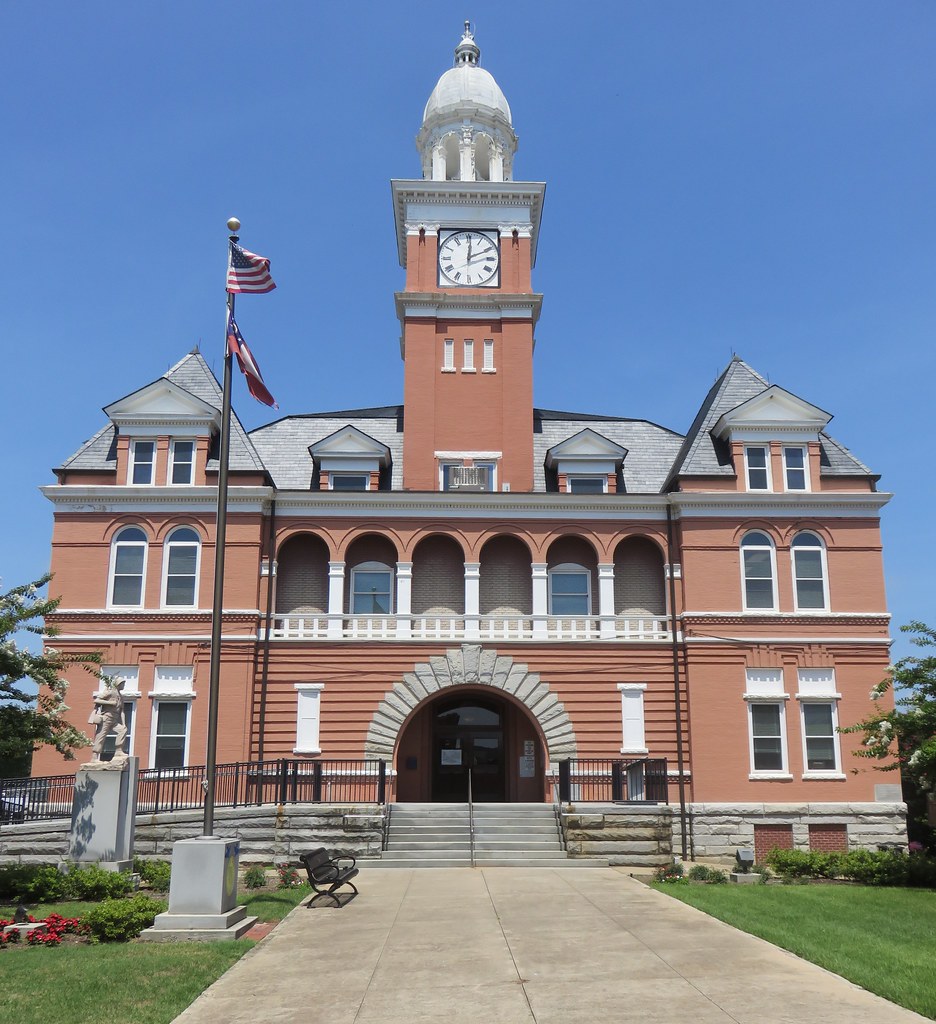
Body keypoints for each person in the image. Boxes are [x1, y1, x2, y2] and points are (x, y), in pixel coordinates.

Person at [88, 676, 127, 765]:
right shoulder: (110, 692)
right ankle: (94, 757)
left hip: (114, 720)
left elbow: (122, 711)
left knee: (123, 730)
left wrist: (124, 723)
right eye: (123, 683)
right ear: (118, 684)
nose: (124, 685)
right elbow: (97, 700)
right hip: (106, 718)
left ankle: (118, 751)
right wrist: (110, 703)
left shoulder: (121, 697)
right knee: (100, 736)